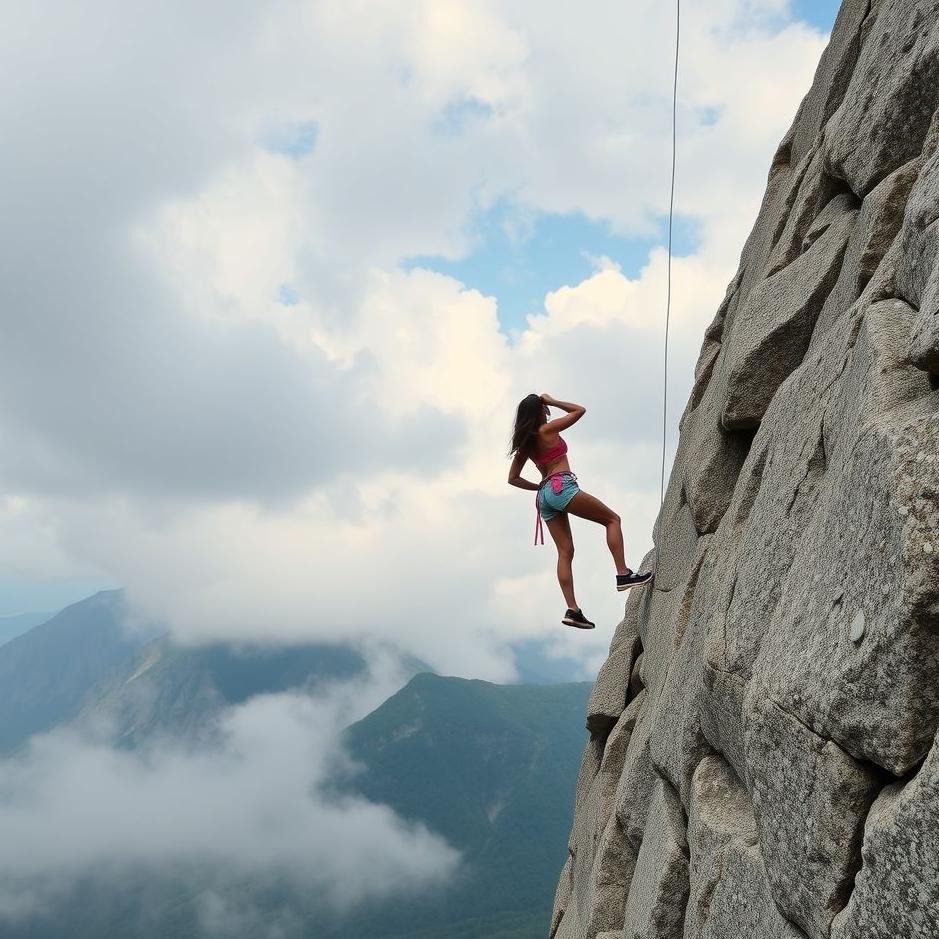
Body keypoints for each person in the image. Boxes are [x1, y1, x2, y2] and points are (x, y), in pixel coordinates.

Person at [508, 392, 653, 629]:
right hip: (561, 487)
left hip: (545, 496)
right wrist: (552, 400)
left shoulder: (526, 443)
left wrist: (541, 486)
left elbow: (513, 478)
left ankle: (573, 610)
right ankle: (623, 573)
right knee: (612, 520)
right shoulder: (548, 430)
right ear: (540, 411)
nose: (547, 410)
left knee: (565, 552)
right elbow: (579, 410)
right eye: (543, 407)